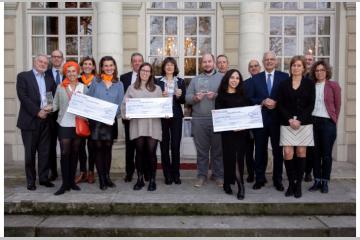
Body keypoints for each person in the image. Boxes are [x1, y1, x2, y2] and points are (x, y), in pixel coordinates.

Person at [44, 62, 88, 195]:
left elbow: (87, 105)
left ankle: (72, 182)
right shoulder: (60, 87)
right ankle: (64, 183)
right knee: (64, 153)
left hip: (78, 124)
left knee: (75, 153)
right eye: (68, 71)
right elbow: (56, 104)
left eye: (74, 71)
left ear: (77, 72)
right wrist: (49, 108)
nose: (71, 74)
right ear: (65, 73)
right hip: (64, 123)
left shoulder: (83, 87)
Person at [247, 51, 289, 191]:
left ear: (276, 61)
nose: (269, 61)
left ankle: (278, 179)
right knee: (259, 151)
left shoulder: (284, 77)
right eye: (266, 60)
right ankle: (260, 179)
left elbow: (287, 98)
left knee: (278, 151)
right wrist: (263, 101)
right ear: (263, 62)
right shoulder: (255, 78)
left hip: (278, 119)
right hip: (261, 119)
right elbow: (250, 98)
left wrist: (277, 103)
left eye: (272, 59)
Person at [121, 62, 165, 191]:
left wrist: (165, 112)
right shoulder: (131, 88)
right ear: (139, 72)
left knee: (151, 152)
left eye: (148, 71)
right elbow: (124, 105)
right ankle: (139, 179)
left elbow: (162, 106)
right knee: (139, 152)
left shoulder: (157, 89)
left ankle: (152, 180)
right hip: (137, 124)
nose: (145, 73)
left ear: (151, 73)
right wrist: (125, 115)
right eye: (143, 70)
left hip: (153, 124)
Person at [277, 56, 315, 198]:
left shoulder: (310, 84)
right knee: (287, 153)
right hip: (287, 123)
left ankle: (298, 183)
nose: (296, 68)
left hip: (303, 123)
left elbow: (311, 105)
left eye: (299, 65)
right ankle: (291, 183)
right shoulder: (284, 83)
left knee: (301, 153)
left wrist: (299, 120)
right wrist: (289, 119)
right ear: (290, 67)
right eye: (293, 65)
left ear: (304, 68)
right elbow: (279, 104)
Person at [16, 53, 56, 190]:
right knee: (30, 153)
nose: (43, 64)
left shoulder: (50, 80)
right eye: (41, 62)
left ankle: (44, 178)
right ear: (34, 62)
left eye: (45, 63)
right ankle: (31, 181)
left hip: (46, 120)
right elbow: (23, 98)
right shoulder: (23, 76)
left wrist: (47, 110)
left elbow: (52, 99)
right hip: (30, 121)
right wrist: (38, 111)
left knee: (45, 152)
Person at [185, 53, 224, 188]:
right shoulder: (196, 80)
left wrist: (216, 96)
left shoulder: (223, 78)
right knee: (202, 151)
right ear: (201, 64)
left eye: (209, 61)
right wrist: (195, 98)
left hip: (217, 119)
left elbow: (228, 96)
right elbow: (187, 97)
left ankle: (218, 176)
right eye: (204, 62)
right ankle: (201, 176)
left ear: (214, 63)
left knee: (218, 151)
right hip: (199, 120)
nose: (207, 64)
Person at [86, 56, 125, 190]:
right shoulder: (95, 82)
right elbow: (89, 99)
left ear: (114, 67)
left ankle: (107, 176)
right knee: (98, 149)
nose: (109, 68)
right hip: (96, 121)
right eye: (106, 66)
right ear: (102, 68)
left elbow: (121, 104)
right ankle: (101, 178)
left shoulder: (119, 84)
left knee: (108, 149)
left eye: (111, 65)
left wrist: (112, 116)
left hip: (111, 121)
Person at [215, 69, 251, 200]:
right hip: (228, 133)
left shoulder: (243, 95)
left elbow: (246, 113)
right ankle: (236, 184)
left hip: (241, 133)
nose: (235, 80)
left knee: (238, 158)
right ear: (227, 79)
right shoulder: (221, 96)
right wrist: (231, 127)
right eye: (232, 77)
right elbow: (219, 116)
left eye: (237, 78)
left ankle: (234, 183)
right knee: (230, 157)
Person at [308, 61, 341, 194]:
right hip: (314, 123)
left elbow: (337, 105)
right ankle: (316, 180)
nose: (319, 72)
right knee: (315, 154)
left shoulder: (334, 85)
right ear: (314, 73)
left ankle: (325, 181)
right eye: (317, 70)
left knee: (326, 155)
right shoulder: (312, 85)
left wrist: (334, 119)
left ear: (326, 71)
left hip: (328, 123)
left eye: (322, 70)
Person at [120, 53, 151, 183]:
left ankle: (145, 172)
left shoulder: (150, 79)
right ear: (131, 63)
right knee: (130, 147)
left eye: (139, 61)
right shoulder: (124, 78)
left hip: (145, 120)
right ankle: (129, 173)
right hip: (130, 120)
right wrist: (125, 114)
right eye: (135, 61)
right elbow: (123, 99)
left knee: (143, 147)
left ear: (143, 62)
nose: (137, 63)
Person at [155, 57, 186, 185]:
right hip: (162, 116)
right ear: (163, 67)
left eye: (172, 64)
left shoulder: (180, 81)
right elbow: (154, 99)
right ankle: (167, 175)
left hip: (176, 116)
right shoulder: (157, 82)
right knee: (164, 146)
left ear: (175, 67)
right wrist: (159, 96)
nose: (169, 66)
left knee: (175, 146)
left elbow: (184, 100)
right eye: (167, 64)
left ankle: (176, 174)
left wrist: (179, 96)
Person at [74, 56, 97, 184]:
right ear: (82, 66)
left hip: (93, 118)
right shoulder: (76, 80)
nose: (87, 66)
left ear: (93, 67)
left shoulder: (98, 81)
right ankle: (82, 172)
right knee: (80, 146)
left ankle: (91, 173)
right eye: (85, 64)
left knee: (92, 146)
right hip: (80, 118)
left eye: (90, 64)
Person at [45, 50, 65, 181]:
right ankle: (53, 171)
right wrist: (49, 108)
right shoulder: (45, 74)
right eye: (54, 57)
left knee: (65, 145)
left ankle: (66, 171)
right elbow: (45, 94)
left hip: (65, 115)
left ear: (63, 59)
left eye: (59, 57)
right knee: (51, 145)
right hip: (51, 115)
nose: (57, 59)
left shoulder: (69, 74)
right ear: (51, 59)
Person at [243, 60, 263, 183]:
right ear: (249, 69)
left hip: (263, 119)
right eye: (251, 66)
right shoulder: (245, 83)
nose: (254, 68)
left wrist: (260, 103)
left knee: (261, 150)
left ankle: (260, 174)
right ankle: (251, 173)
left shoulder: (264, 82)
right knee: (248, 149)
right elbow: (243, 99)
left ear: (260, 67)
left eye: (256, 66)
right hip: (248, 120)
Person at [302, 54, 315, 182]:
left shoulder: (314, 78)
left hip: (311, 116)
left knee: (309, 149)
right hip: (299, 117)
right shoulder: (296, 78)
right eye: (305, 60)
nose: (308, 62)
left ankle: (308, 172)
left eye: (310, 60)